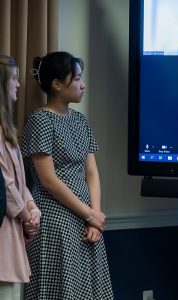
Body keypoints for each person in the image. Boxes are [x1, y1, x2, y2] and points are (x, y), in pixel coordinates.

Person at [21, 51, 113, 299]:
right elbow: (48, 180)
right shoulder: (40, 120)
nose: (82, 85)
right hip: (55, 219)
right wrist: (91, 215)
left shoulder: (81, 120)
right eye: (76, 79)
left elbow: (91, 173)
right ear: (57, 84)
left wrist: (94, 214)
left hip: (87, 219)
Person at [0, 54, 40, 299]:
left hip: (15, 230)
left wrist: (33, 208)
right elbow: (4, 184)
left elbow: (20, 181)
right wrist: (27, 216)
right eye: (13, 79)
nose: (18, 84)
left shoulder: (8, 132)